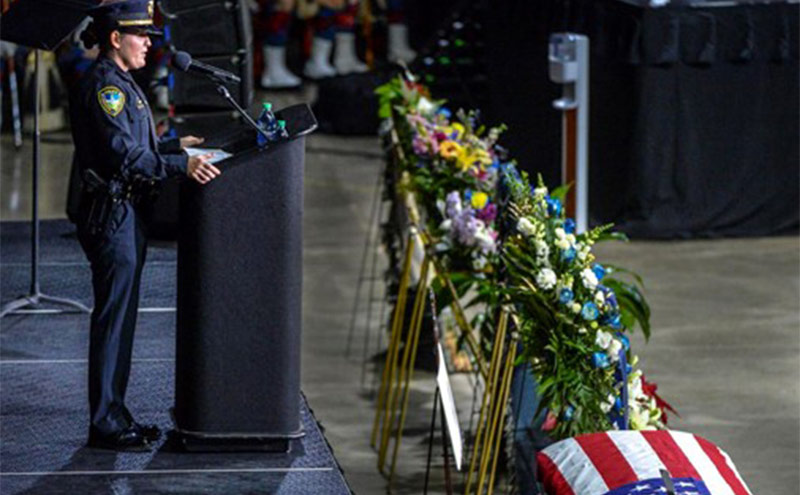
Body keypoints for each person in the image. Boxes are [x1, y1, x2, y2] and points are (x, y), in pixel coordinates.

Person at [70, 0, 221, 451]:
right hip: (112, 214)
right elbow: (123, 156)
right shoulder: (106, 87)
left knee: (122, 319)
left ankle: (116, 413)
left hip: (127, 213)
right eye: (140, 36)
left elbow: (137, 145)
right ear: (116, 38)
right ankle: (105, 422)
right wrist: (180, 164)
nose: (148, 45)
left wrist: (173, 146)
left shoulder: (121, 82)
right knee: (114, 320)